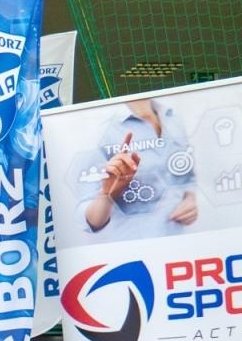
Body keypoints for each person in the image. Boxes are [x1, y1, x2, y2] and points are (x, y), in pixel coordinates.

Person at [66, 97, 198, 241]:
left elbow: (186, 177)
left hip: (179, 245)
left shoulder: (172, 117)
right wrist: (108, 192)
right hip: (132, 251)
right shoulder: (102, 127)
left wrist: (190, 200)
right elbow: (90, 221)